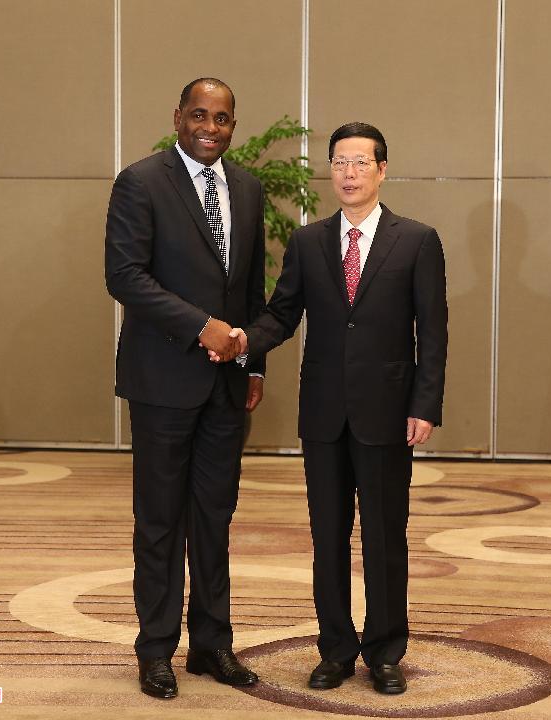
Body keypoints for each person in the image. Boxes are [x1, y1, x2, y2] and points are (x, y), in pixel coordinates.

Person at [214, 122, 447, 694]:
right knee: (328, 537)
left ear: (382, 170)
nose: (348, 172)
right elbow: (282, 314)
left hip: (388, 412)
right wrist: (245, 342)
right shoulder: (309, 242)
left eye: (360, 162)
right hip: (322, 415)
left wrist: (425, 403)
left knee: (386, 536)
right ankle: (336, 649)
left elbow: (433, 333)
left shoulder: (416, 240)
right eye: (339, 162)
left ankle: (386, 652)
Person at [104, 77, 265, 700]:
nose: (210, 127)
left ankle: (211, 644)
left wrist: (253, 364)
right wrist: (202, 326)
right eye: (199, 115)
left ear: (232, 124)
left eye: (221, 118)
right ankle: (155, 650)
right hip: (163, 380)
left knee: (216, 519)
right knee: (160, 521)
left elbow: (250, 286)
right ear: (177, 116)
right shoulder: (141, 182)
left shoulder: (247, 189)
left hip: (227, 386)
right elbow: (124, 276)